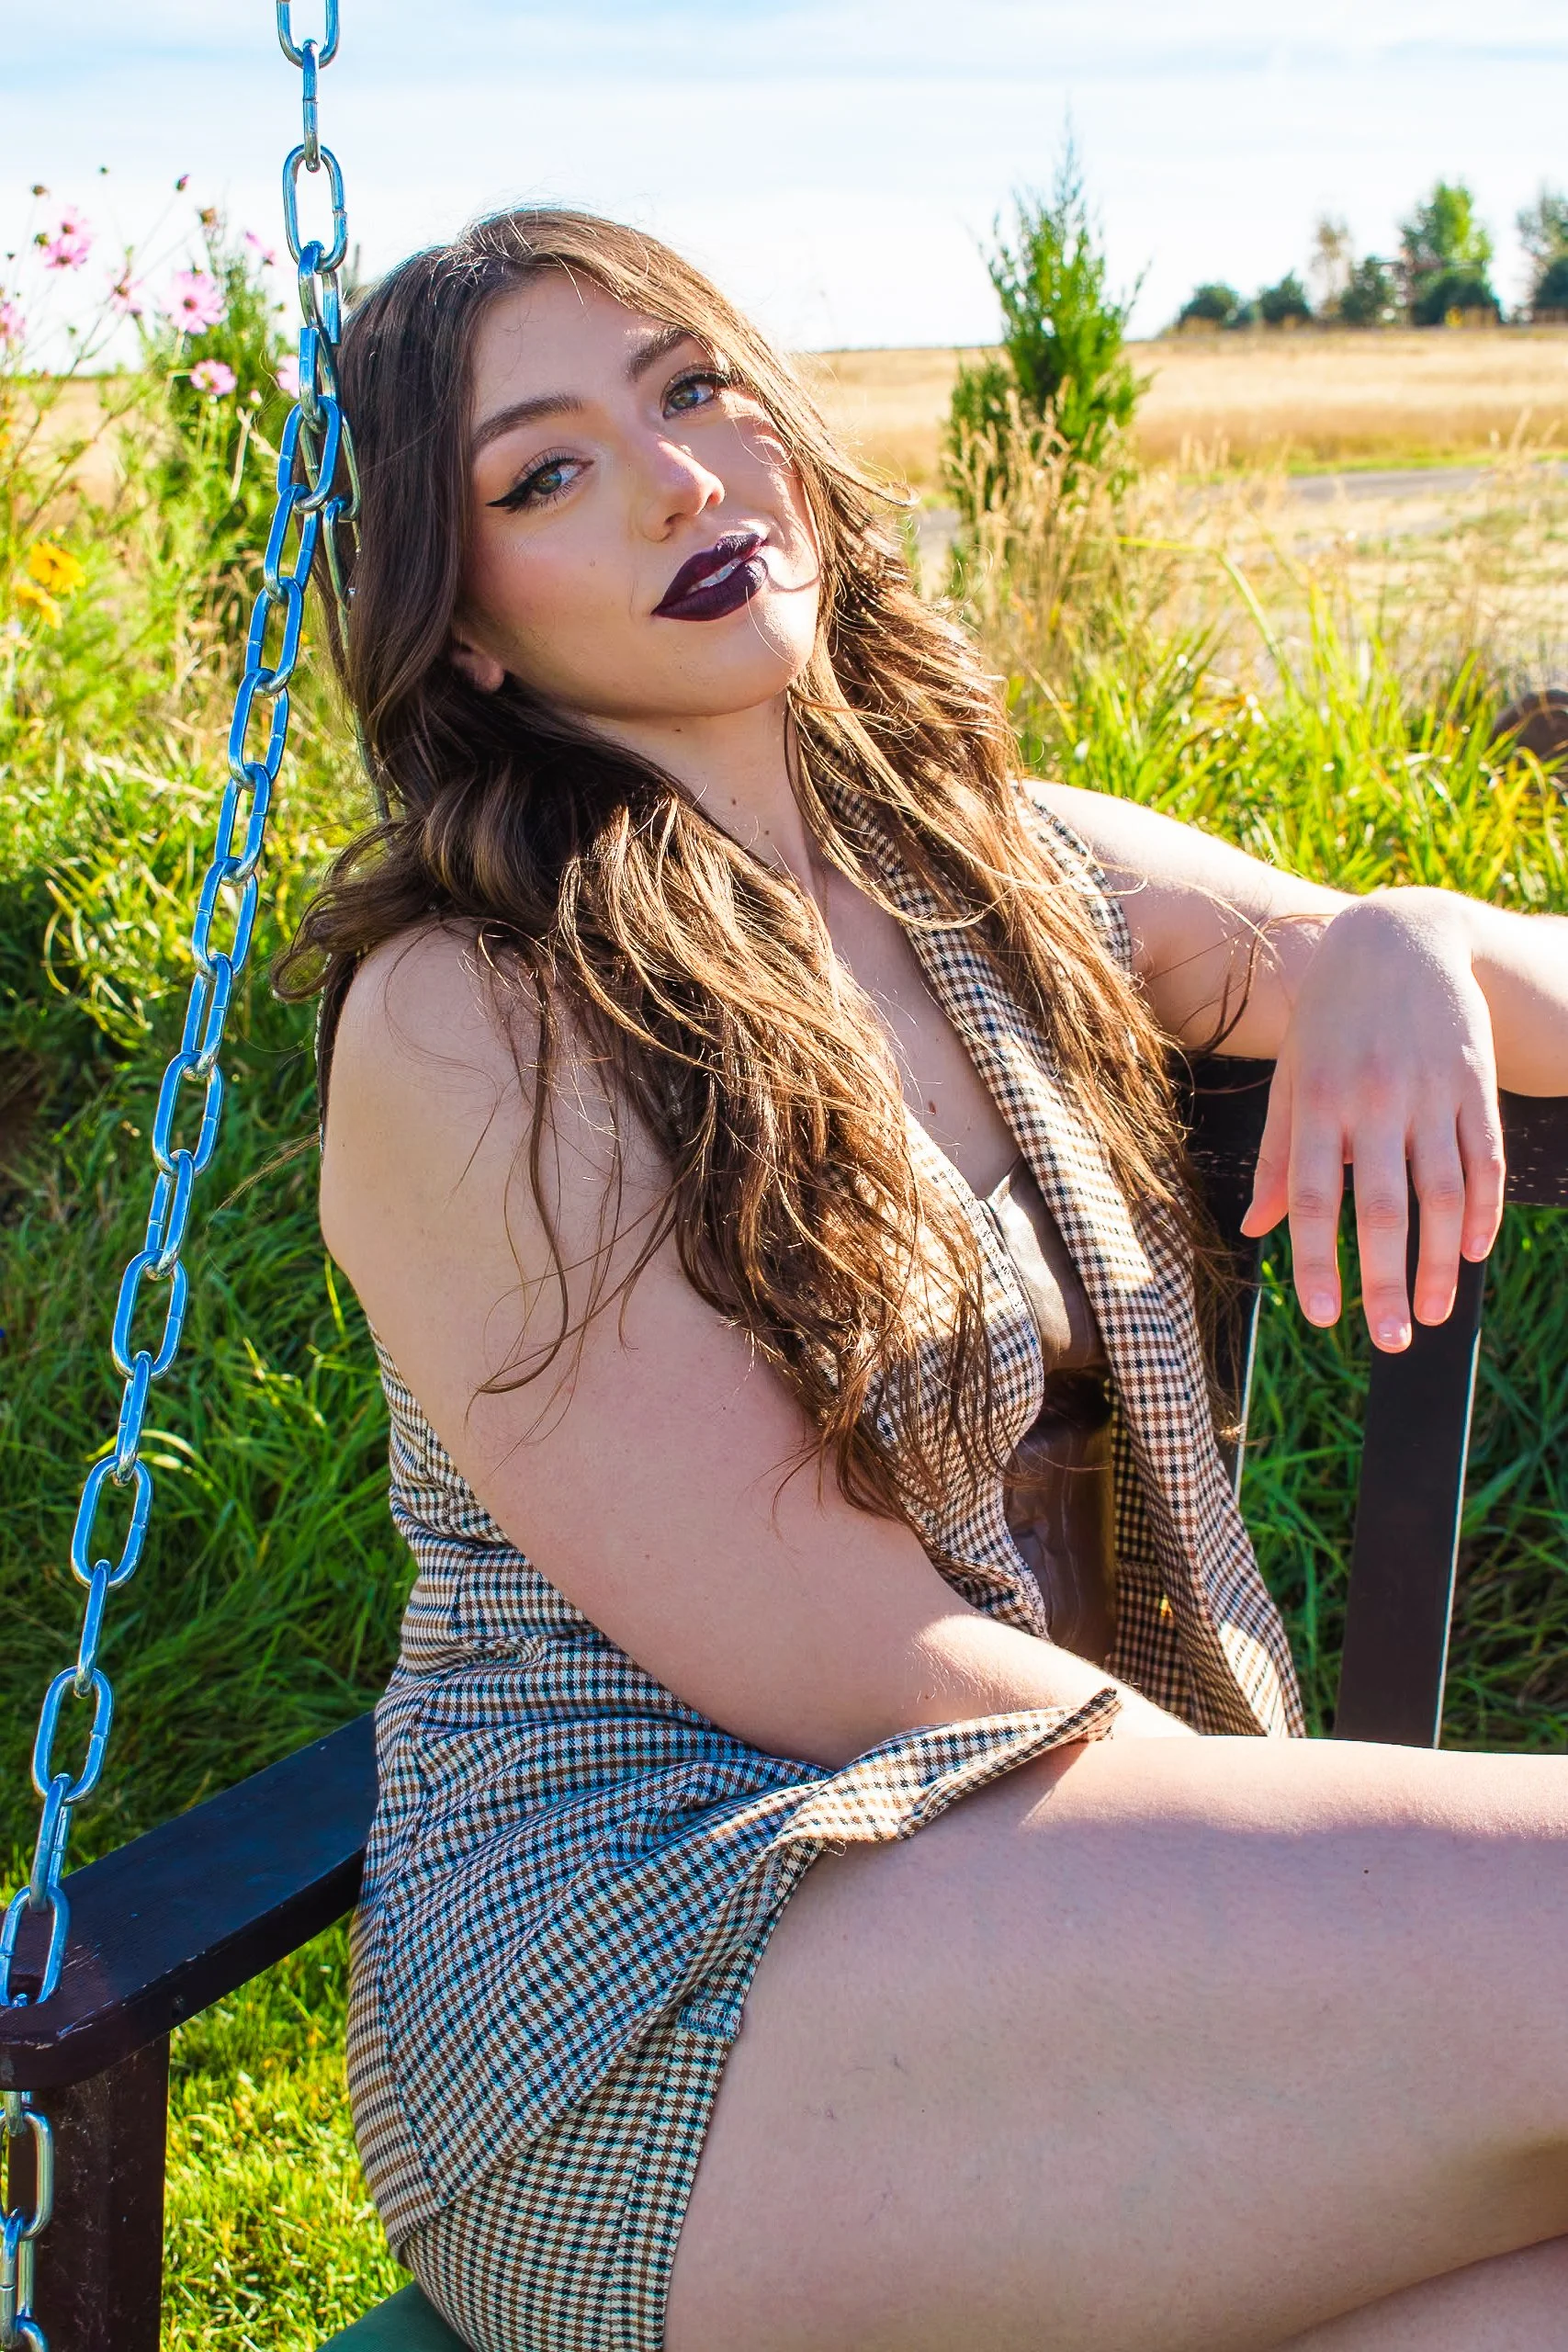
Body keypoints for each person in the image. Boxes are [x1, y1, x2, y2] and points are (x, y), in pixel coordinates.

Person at [288, 209, 1568, 2352]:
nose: (679, 480)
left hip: (1027, 1898)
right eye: (549, 471)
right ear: (468, 624)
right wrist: (1349, 1881)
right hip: (663, 1980)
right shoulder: (476, 1013)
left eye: (693, 388)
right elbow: (861, 1666)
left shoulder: (988, 867)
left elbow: (1517, 982)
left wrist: (1398, 931)